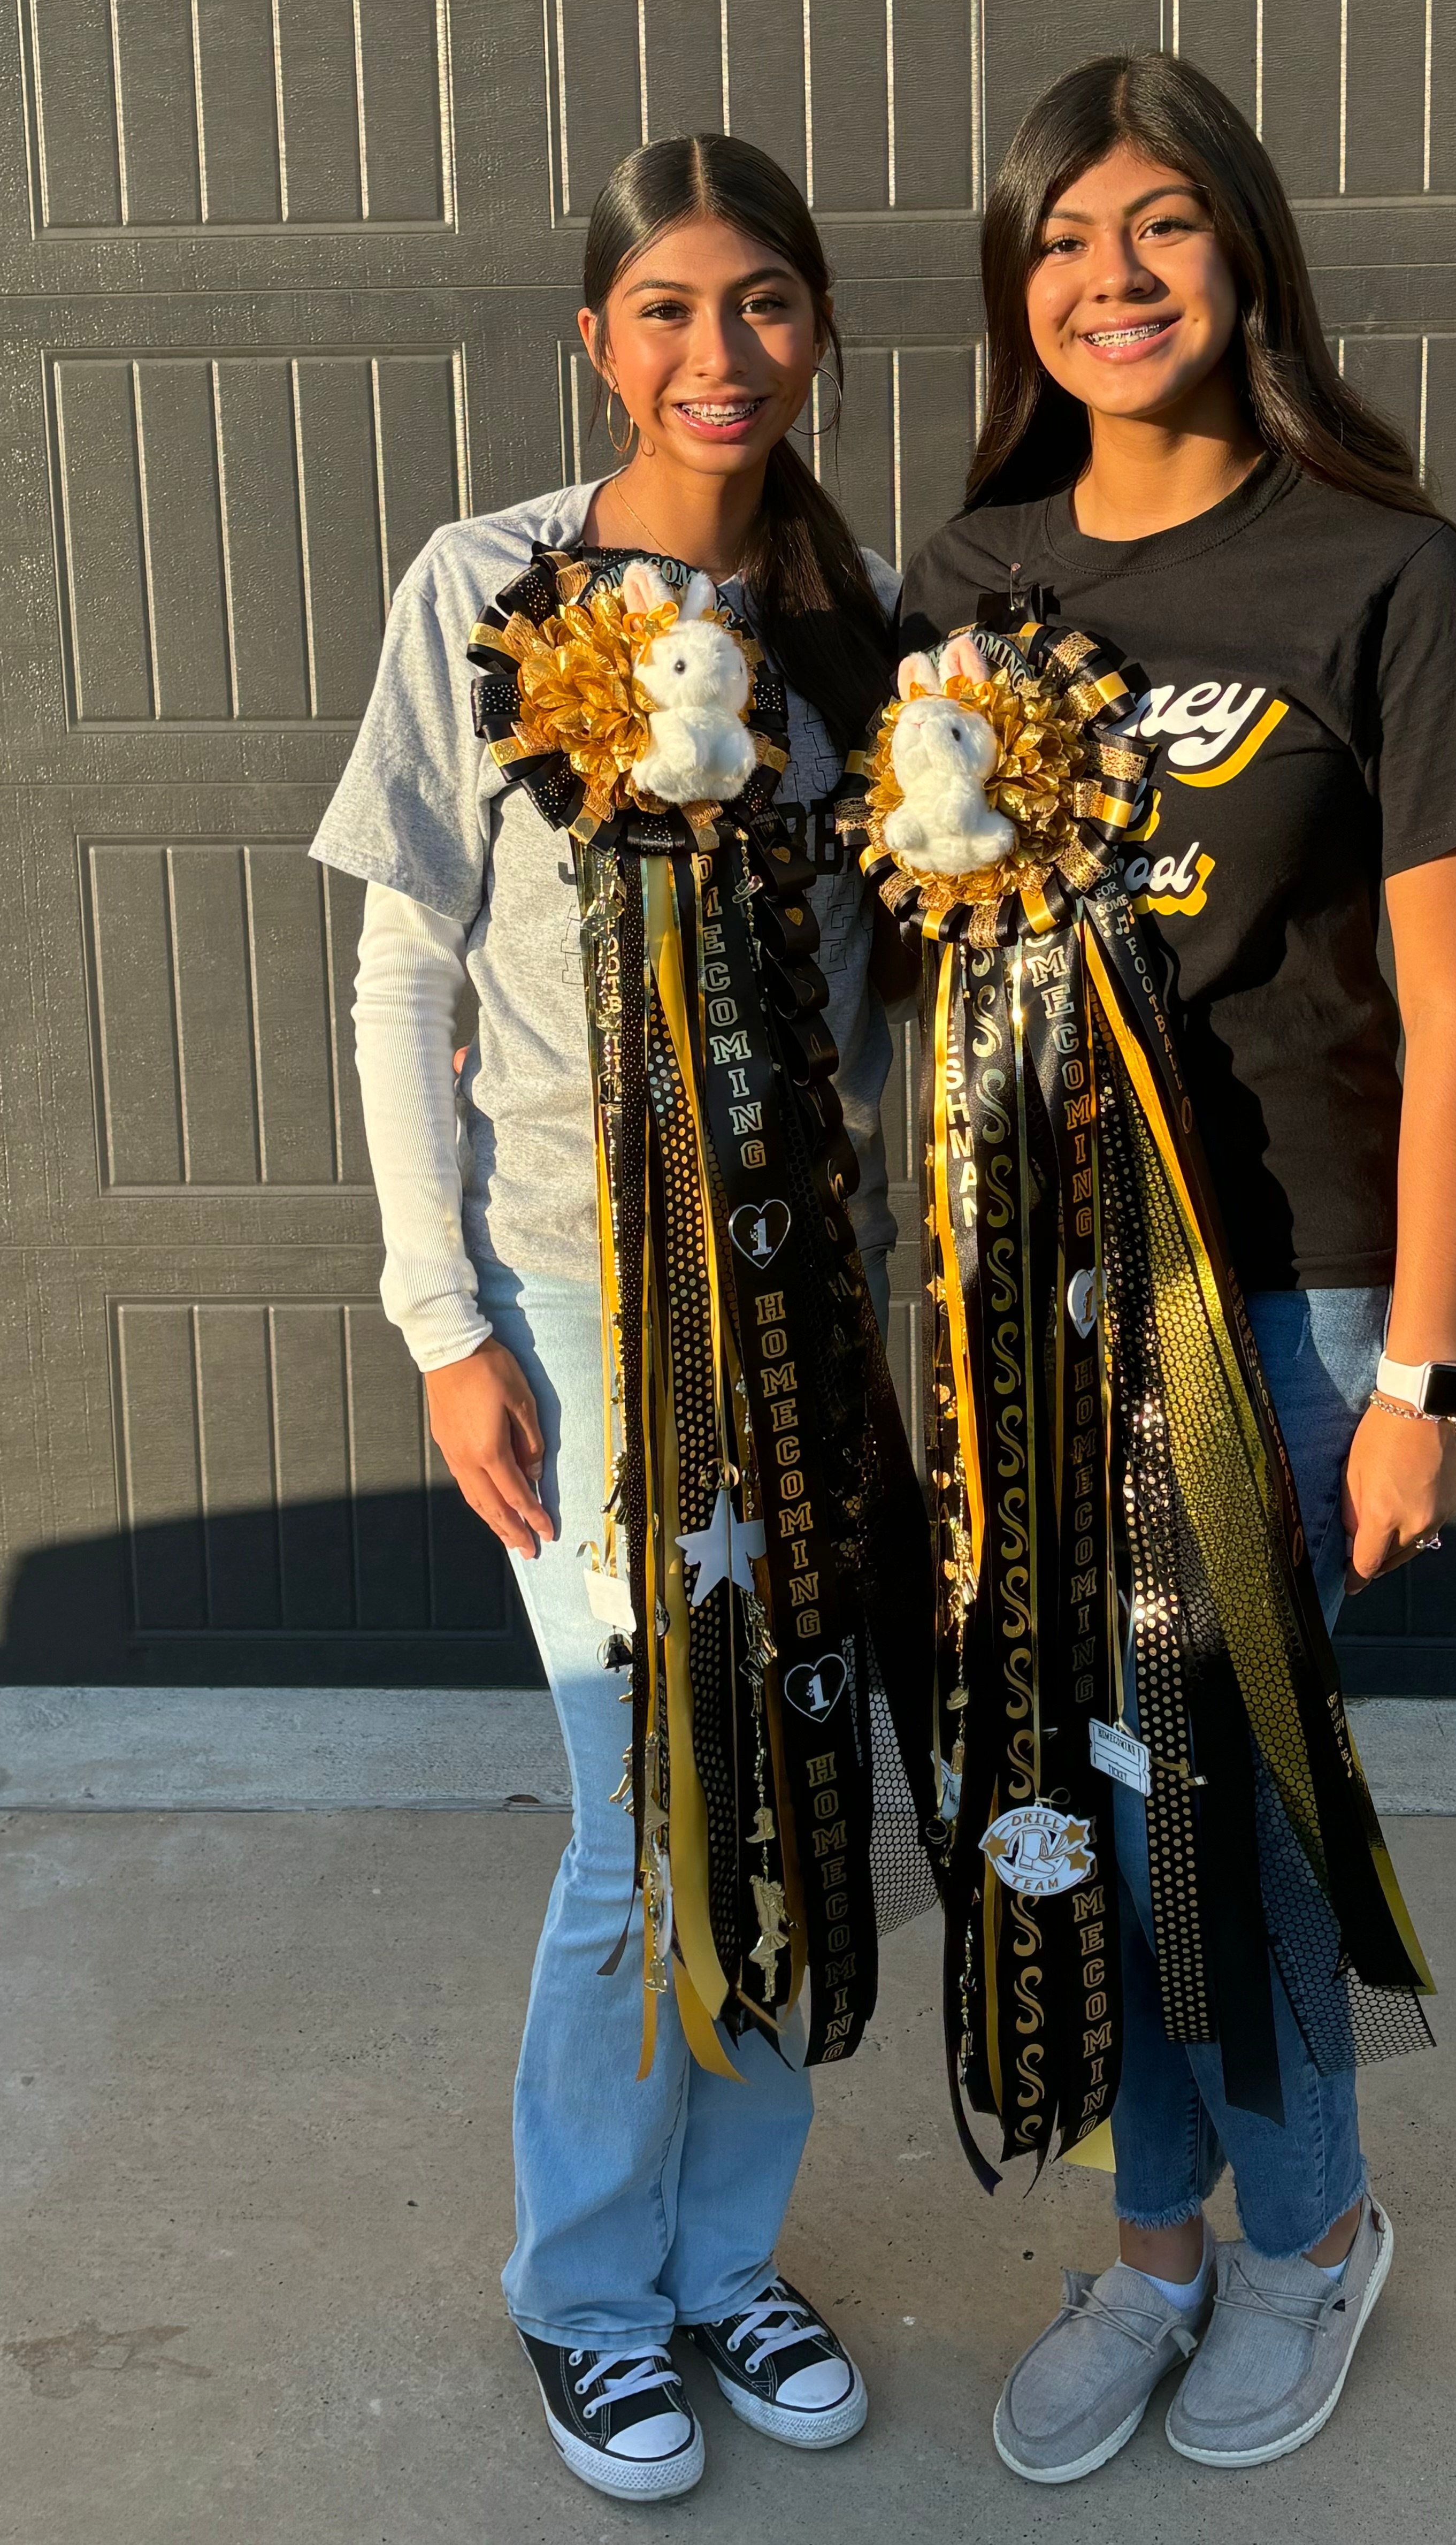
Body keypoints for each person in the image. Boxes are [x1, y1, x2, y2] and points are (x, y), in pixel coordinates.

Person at [896, 51, 1456, 2479]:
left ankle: (1304, 2234)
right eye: (1061, 237)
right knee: (1079, 1787)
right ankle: (1149, 2238)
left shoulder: (1383, 571)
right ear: (1015, 286)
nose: (1110, 276)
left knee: (1235, 1791)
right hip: (1024, 1310)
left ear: (1246, 253)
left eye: (1159, 225)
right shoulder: (967, 580)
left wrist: (1427, 1376)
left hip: (1276, 1305)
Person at [312, 133, 906, 2502]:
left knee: (784, 1784)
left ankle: (723, 2256)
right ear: (595, 337)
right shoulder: (487, 585)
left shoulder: (854, 633)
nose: (715, 351)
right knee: (638, 1821)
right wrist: (441, 1312)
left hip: (806, 1304)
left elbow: (892, 992)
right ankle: (584, 2287)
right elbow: (401, 964)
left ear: (817, 326)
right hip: (571, 1289)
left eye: (762, 300)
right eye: (665, 306)